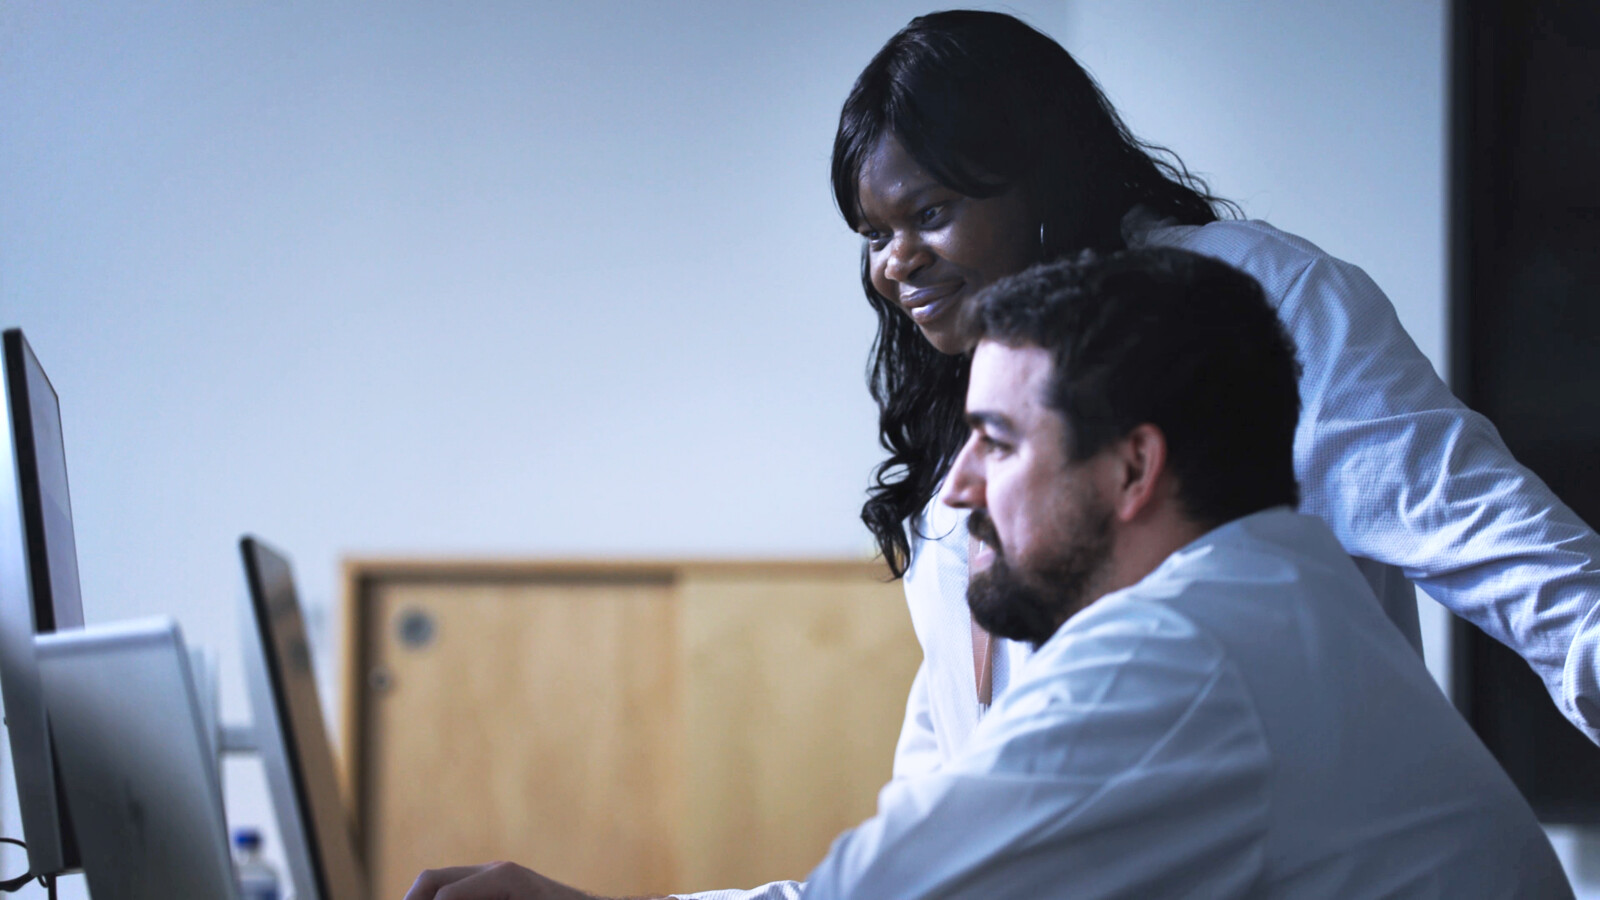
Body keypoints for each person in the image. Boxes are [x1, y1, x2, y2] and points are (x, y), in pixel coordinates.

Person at [412, 10, 1600, 899]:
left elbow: (1501, 549)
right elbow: (936, 826)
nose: (892, 264)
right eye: (873, 234)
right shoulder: (980, 420)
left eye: (927, 214)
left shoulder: (1239, 331)